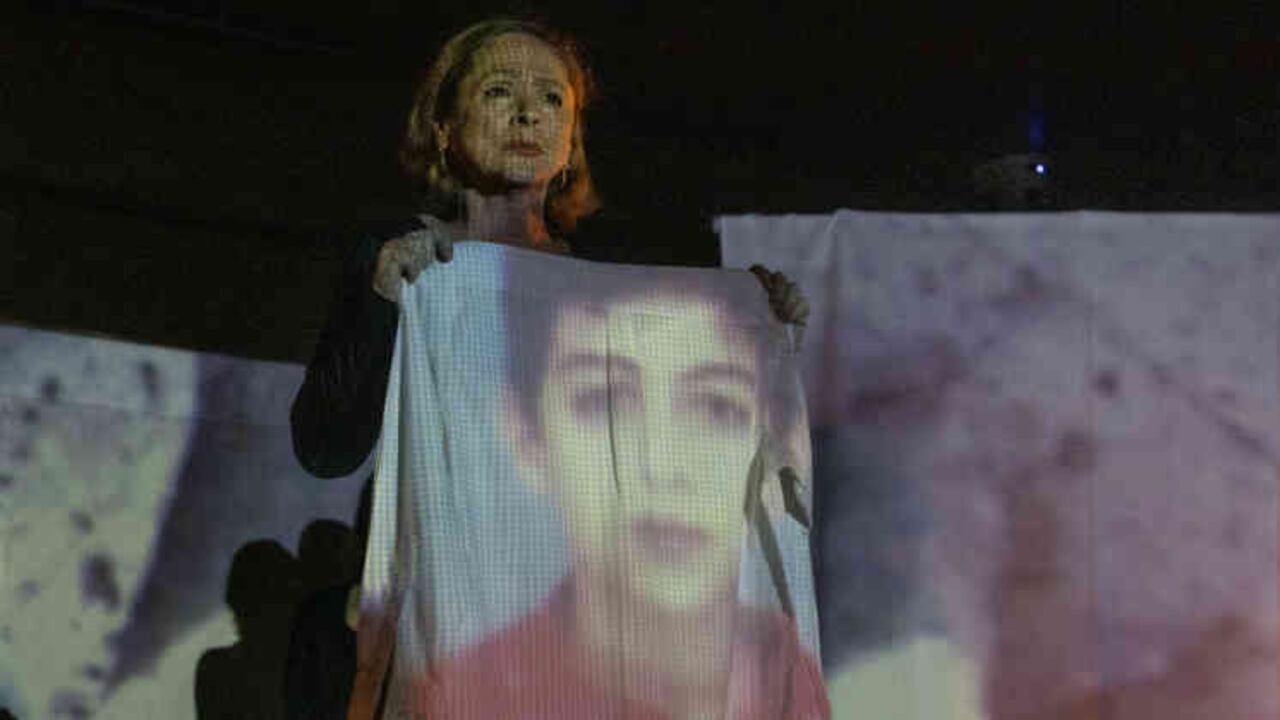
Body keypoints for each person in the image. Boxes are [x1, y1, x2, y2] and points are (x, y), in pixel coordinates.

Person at [288, 15, 812, 719]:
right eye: (499, 91)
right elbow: (324, 449)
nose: (528, 112)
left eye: (552, 99)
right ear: (443, 127)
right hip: (460, 629)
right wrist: (384, 301)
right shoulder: (406, 262)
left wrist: (757, 324)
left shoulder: (609, 286)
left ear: (570, 145)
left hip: (598, 648)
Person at [396, 268, 829, 719]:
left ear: (779, 448)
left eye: (716, 406)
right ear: (527, 438)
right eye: (602, 402)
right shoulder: (466, 700)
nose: (659, 467)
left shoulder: (792, 671)